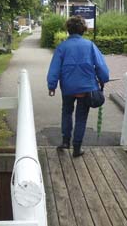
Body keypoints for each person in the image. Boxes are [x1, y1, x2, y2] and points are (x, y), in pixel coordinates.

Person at [46, 15, 109, 157]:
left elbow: (54, 68)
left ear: (68, 30)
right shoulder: (90, 46)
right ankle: (77, 148)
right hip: (87, 88)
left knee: (66, 112)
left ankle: (65, 141)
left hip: (67, 88)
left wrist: (52, 86)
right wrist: (104, 79)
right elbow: (101, 66)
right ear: (83, 30)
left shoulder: (62, 47)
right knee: (81, 117)